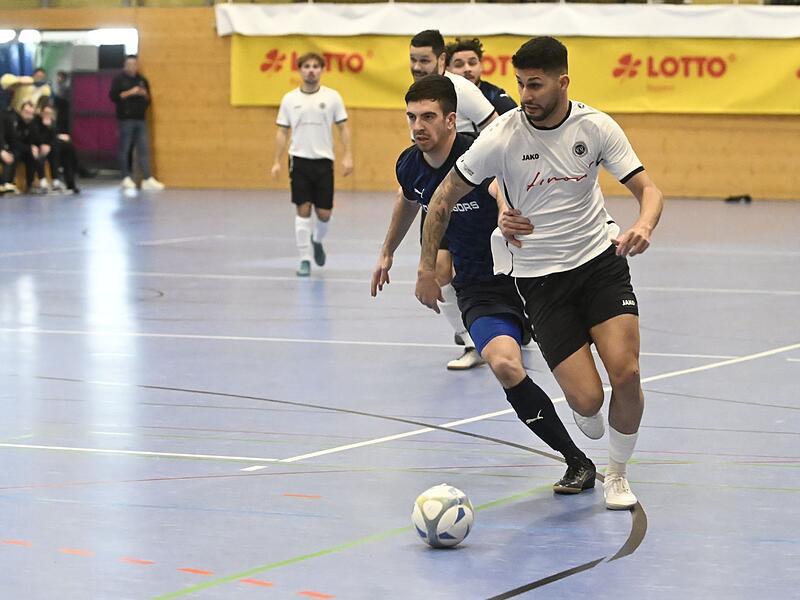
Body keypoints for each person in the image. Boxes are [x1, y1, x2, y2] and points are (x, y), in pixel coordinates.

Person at [415, 37, 664, 511]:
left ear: (562, 82)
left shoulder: (595, 127)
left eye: (536, 84)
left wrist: (644, 225)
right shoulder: (502, 135)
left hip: (599, 261)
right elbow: (443, 198)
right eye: (520, 84)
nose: (526, 95)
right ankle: (582, 403)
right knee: (589, 402)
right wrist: (428, 266)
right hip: (539, 278)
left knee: (627, 372)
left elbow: (648, 189)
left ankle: (617, 472)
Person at [372, 75, 595, 493]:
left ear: (452, 120)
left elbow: (497, 188)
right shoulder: (409, 164)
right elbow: (408, 199)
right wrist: (388, 252)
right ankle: (576, 462)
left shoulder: (478, 155)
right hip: (482, 287)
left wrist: (505, 210)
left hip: (533, 276)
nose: (418, 125)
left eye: (428, 117)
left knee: (584, 388)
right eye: (411, 117)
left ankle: (586, 404)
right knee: (506, 365)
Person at [408, 30, 498, 370]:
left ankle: (508, 321)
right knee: (438, 269)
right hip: (435, 193)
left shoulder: (462, 91)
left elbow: (496, 126)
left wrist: (477, 165)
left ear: (441, 61)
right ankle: (470, 340)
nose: (418, 67)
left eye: (425, 60)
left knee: (485, 267)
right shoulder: (416, 98)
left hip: (471, 191)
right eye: (413, 60)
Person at [271, 52, 353, 277]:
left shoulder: (332, 97)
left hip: (324, 161)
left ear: (321, 70)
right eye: (306, 66)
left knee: (324, 213)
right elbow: (282, 131)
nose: (311, 70)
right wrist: (277, 161)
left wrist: (348, 156)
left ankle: (316, 240)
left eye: (316, 66)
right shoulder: (289, 99)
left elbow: (343, 127)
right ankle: (304, 259)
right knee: (303, 209)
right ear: (300, 69)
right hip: (299, 160)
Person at [109, 55, 165, 192]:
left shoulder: (142, 80)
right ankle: (126, 177)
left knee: (143, 149)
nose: (132, 66)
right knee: (125, 148)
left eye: (134, 64)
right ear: (125, 66)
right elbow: (114, 96)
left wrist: (143, 93)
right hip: (126, 119)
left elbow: (148, 99)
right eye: (129, 64)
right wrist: (130, 92)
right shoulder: (119, 80)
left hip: (140, 119)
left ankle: (147, 178)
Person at [446, 37, 517, 116]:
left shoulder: (494, 96)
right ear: (447, 70)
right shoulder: (441, 97)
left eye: (472, 63)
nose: (467, 69)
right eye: (459, 65)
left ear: (481, 65)